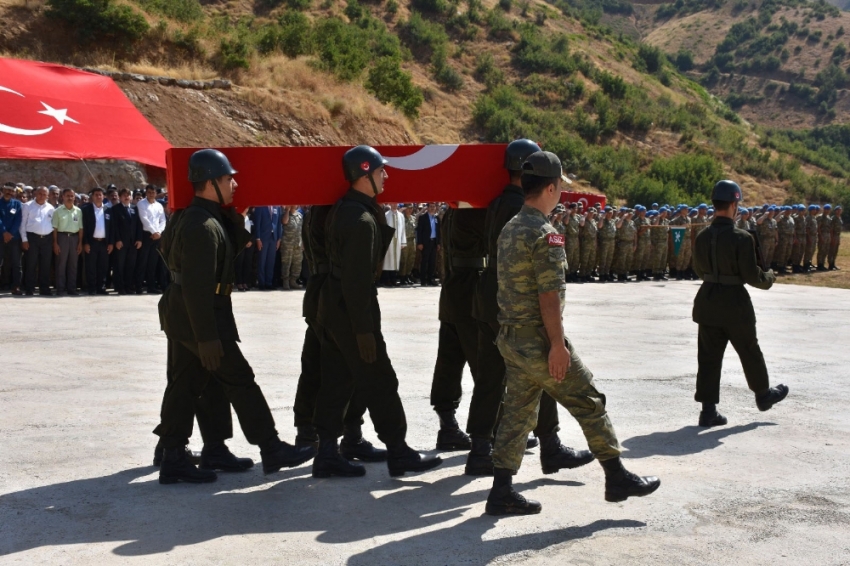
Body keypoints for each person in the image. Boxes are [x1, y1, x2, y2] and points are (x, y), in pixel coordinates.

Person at [485, 151, 659, 516]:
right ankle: (616, 476)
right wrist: (557, 346)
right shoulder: (544, 234)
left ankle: (501, 491)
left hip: (511, 339)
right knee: (589, 401)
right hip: (537, 340)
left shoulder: (511, 227)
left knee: (517, 413)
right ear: (551, 187)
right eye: (561, 184)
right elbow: (548, 297)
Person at [153, 148, 313, 484]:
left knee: (185, 384)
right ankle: (271, 447)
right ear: (210, 182)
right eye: (229, 178)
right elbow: (198, 285)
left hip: (186, 313)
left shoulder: (199, 216)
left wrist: (237, 216)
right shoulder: (201, 224)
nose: (235, 183)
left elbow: (223, 252)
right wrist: (208, 336)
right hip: (200, 314)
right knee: (239, 380)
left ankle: (174, 455)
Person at [312, 145, 442, 478]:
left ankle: (327, 452)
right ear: (365, 173)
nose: (387, 175)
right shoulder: (360, 219)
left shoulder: (347, 210)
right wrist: (364, 330)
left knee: (336, 382)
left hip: (333, 307)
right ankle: (398, 451)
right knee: (381, 380)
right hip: (352, 311)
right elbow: (357, 282)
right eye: (381, 170)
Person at [471, 139, 590, 478]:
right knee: (544, 367)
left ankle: (480, 445)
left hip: (487, 294)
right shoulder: (523, 212)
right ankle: (549, 446)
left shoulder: (496, 204)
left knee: (491, 375)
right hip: (511, 298)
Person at [292, 203, 383, 475]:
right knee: (342, 370)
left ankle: (322, 433)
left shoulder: (324, 209)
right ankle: (332, 436)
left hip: (321, 293)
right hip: (333, 295)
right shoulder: (336, 211)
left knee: (319, 368)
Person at [691, 180, 789, 428]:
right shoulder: (742, 238)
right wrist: (769, 278)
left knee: (708, 358)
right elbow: (752, 276)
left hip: (708, 302)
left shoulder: (701, 236)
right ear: (734, 204)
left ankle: (708, 411)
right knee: (749, 350)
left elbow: (698, 270)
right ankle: (763, 395)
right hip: (735, 304)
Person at [428, 201, 487, 454]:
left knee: (449, 363)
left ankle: (448, 427)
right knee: (485, 366)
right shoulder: (475, 210)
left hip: (452, 291)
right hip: (471, 294)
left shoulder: (450, 212)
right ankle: (488, 431)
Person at [19, 186, 54, 296]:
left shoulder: (51, 208)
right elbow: (22, 224)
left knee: (45, 265)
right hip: (32, 238)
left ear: (47, 196)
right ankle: (29, 288)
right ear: (35, 194)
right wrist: (24, 239)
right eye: (40, 193)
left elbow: (53, 224)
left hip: (47, 239)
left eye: (44, 194)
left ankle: (44, 288)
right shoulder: (27, 206)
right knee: (31, 264)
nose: (42, 196)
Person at [81, 187, 114, 295]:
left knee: (103, 267)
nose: (98, 197)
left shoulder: (108, 210)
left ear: (104, 196)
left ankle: (101, 287)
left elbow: (112, 228)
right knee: (91, 267)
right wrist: (85, 242)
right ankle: (92, 288)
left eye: (100, 195)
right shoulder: (86, 210)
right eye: (96, 195)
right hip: (92, 242)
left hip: (104, 243)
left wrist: (111, 243)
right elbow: (84, 227)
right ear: (92, 197)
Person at [111, 188, 143, 295]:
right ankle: (120, 287)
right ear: (120, 197)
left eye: (128, 195)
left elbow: (138, 225)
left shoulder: (134, 208)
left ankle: (129, 286)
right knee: (120, 266)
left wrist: (139, 239)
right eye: (124, 195)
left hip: (133, 243)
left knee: (130, 266)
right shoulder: (116, 209)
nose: (126, 197)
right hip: (121, 243)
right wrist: (118, 240)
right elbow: (114, 227)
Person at [136, 184, 168, 294]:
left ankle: (151, 286)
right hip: (146, 235)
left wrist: (158, 232)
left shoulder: (159, 205)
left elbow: (163, 220)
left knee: (152, 262)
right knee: (142, 261)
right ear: (146, 192)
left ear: (156, 193)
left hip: (157, 236)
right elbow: (144, 219)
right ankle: (138, 286)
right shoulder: (141, 204)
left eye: (153, 192)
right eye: (149, 192)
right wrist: (153, 231)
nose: (151, 194)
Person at [52, 188, 83, 296]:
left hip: (74, 238)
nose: (70, 198)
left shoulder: (78, 211)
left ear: (74, 197)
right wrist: (55, 243)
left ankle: (72, 289)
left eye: (72, 196)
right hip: (62, 237)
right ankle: (60, 289)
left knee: (73, 265)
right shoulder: (58, 211)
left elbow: (80, 228)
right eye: (67, 196)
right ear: (63, 197)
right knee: (61, 264)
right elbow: (54, 229)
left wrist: (80, 243)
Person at [0, 183, 24, 295]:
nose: (9, 192)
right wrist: (4, 232)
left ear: (14, 192)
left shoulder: (17, 204)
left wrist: (10, 234)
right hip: (1, 236)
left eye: (11, 191)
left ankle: (16, 286)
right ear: (3, 190)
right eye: (7, 190)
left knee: (16, 263)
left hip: (14, 238)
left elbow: (18, 220)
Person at [252, 204, 282, 290]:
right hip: (263, 238)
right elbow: (257, 223)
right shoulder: (260, 206)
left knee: (271, 261)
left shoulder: (277, 207)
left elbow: (279, 223)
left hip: (273, 238)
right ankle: (262, 283)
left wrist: (279, 238)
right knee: (262, 261)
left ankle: (269, 283)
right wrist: (258, 238)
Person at [380, 203, 406, 287]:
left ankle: (393, 279)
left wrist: (403, 241)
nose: (395, 205)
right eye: (393, 204)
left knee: (396, 261)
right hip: (389, 241)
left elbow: (403, 229)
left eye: (396, 204)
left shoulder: (401, 215)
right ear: (390, 204)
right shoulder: (386, 215)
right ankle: (387, 280)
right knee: (388, 260)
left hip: (397, 240)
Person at [416, 203, 441, 286]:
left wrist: (438, 243)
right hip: (425, 243)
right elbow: (419, 231)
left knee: (432, 262)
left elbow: (438, 231)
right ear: (427, 208)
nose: (432, 208)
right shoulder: (423, 218)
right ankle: (423, 280)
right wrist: (419, 242)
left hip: (434, 242)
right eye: (431, 207)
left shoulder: (437, 218)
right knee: (424, 261)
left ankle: (430, 279)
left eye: (434, 207)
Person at [280, 205, 303, 290]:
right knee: (286, 263)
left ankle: (293, 281)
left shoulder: (299, 216)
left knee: (297, 264)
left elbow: (301, 230)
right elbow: (284, 222)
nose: (295, 205)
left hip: (298, 244)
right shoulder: (285, 214)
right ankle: (285, 282)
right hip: (287, 244)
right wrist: (287, 210)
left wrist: (302, 242)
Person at [399, 204, 417, 285]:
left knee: (411, 259)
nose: (410, 210)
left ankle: (408, 275)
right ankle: (402, 277)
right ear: (405, 209)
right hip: (405, 240)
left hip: (412, 240)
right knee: (404, 260)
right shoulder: (402, 218)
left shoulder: (413, 218)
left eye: (411, 208)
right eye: (408, 208)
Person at [816, 204, 833, 271]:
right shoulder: (820, 217)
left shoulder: (829, 217)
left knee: (826, 250)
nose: (827, 211)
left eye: (829, 209)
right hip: (822, 234)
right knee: (821, 250)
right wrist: (820, 236)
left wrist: (830, 237)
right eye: (826, 209)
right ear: (824, 209)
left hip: (827, 235)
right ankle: (819, 265)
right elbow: (818, 227)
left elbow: (830, 228)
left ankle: (822, 264)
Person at [829, 204, 842, 270]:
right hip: (833, 235)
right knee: (832, 251)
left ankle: (833, 264)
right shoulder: (833, 218)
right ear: (835, 211)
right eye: (838, 210)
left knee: (835, 251)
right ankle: (830, 265)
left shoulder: (839, 218)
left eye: (840, 210)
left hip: (838, 236)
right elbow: (831, 229)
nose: (839, 211)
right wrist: (832, 238)